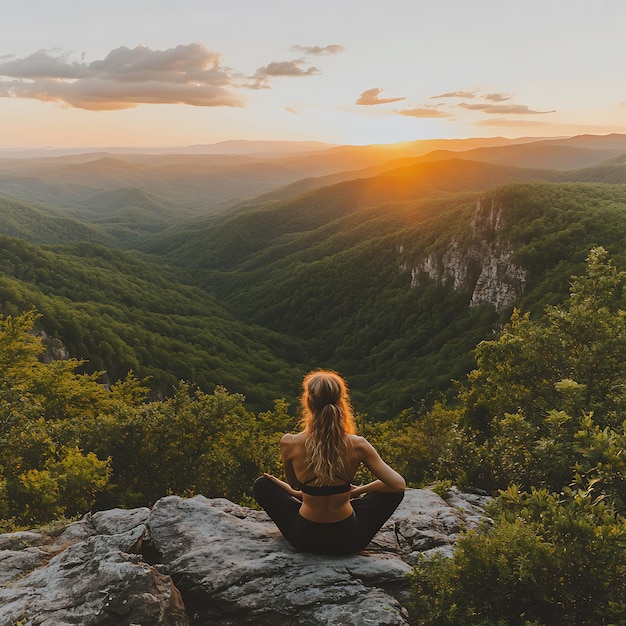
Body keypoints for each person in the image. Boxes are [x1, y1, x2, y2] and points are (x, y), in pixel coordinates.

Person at [253, 369, 405, 555]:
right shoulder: (358, 445)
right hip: (349, 540)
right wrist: (357, 491)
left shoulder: (289, 442)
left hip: (304, 539)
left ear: (308, 402)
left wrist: (282, 487)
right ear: (341, 402)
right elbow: (397, 485)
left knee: (262, 485)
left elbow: (295, 486)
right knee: (391, 492)